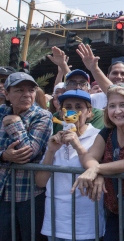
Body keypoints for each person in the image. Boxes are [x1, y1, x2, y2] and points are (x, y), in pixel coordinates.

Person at [71, 84, 124, 240]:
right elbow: (90, 157)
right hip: (114, 211)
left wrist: (97, 170)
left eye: (123, 105)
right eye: (112, 106)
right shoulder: (107, 132)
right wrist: (95, 170)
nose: (117, 111)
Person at [35, 89, 105, 240]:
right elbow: (40, 182)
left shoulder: (98, 136)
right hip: (55, 222)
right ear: (61, 113)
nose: (73, 112)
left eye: (79, 107)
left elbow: (99, 171)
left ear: (89, 112)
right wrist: (51, 152)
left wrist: (77, 145)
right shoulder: (55, 139)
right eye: (68, 107)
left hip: (87, 224)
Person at [0, 73, 52, 241]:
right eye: (19, 90)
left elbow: (28, 152)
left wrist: (15, 123)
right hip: (2, 194)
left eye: (31, 90)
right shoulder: (1, 111)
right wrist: (3, 156)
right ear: (6, 94)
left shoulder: (42, 116)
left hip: (29, 196)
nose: (27, 94)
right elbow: (10, 155)